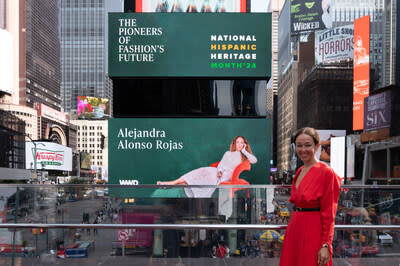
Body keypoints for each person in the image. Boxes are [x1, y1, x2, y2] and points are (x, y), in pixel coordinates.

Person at [279, 127, 341, 266]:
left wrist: (326, 245)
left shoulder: (326, 173)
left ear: (317, 146)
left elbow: (329, 214)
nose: (303, 149)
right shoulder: (300, 171)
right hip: (295, 228)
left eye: (308, 145)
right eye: (299, 145)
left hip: (314, 229)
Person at [157, 136, 257, 197]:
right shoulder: (228, 153)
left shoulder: (243, 156)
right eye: (237, 142)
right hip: (216, 172)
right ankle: (170, 184)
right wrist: (220, 171)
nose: (239, 144)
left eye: (241, 143)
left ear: (244, 144)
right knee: (197, 174)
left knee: (194, 180)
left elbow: (254, 160)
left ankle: (169, 184)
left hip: (227, 175)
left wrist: (244, 151)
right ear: (234, 143)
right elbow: (222, 164)